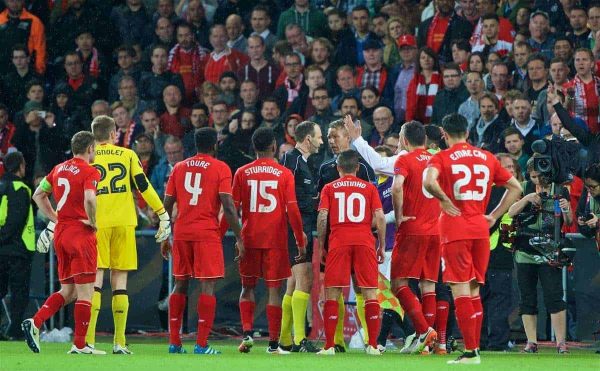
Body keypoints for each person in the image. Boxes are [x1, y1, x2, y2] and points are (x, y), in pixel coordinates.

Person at [423, 113, 522, 364]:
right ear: (467, 133)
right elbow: (517, 188)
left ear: (444, 135)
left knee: (460, 289)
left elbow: (428, 181)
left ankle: (470, 351)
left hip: (455, 227)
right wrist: (494, 216)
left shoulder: (442, 157)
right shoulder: (487, 157)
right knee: (475, 289)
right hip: (480, 227)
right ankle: (474, 350)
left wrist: (444, 200)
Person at [85, 116, 171, 354]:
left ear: (94, 135)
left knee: (95, 283)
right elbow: (143, 186)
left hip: (96, 224)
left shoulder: (88, 157)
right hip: (123, 223)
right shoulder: (127, 155)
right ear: (114, 134)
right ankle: (119, 342)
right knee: (119, 282)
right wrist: (162, 212)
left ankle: (89, 341)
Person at [161, 127, 243, 354]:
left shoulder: (179, 167)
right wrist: (239, 236)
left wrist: (165, 234)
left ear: (195, 145)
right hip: (206, 233)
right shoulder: (220, 168)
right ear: (215, 144)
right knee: (207, 285)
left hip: (182, 232)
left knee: (180, 283)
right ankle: (201, 344)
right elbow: (228, 206)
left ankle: (175, 342)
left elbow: (166, 205)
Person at [23, 131, 103, 354]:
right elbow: (89, 198)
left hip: (62, 233)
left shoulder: (58, 169)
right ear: (89, 149)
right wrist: (93, 221)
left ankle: (36, 322)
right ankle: (79, 344)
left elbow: (38, 195)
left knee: (68, 291)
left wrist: (56, 218)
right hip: (81, 233)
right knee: (86, 293)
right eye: (94, 149)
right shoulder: (90, 171)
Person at [230, 127, 306, 354]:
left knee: (247, 287)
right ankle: (273, 344)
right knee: (274, 291)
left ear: (254, 147)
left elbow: (232, 209)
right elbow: (292, 210)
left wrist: (234, 237)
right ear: (274, 146)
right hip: (275, 239)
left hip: (249, 238)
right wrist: (299, 238)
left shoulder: (242, 172)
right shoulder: (284, 174)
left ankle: (247, 334)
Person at [316, 149, 386, 356]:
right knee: (369, 292)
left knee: (333, 292)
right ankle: (373, 345)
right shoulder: (369, 188)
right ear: (357, 168)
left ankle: (329, 346)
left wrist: (322, 245)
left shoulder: (329, 188)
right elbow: (380, 217)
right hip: (364, 241)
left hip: (339, 242)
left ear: (338, 168)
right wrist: (381, 244)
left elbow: (322, 217)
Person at [507, 154, 572, 354]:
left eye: (540, 176)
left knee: (553, 295)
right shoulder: (524, 187)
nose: (538, 180)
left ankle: (561, 342)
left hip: (550, 249)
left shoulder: (560, 190)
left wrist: (567, 208)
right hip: (525, 247)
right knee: (527, 297)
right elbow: (511, 212)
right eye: (533, 176)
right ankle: (531, 342)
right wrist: (527, 198)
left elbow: (568, 222)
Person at [390, 121, 440, 354]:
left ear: (405, 140)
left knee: (398, 284)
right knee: (427, 284)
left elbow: (397, 187)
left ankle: (423, 330)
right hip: (435, 230)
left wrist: (399, 216)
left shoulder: (404, 159)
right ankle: (428, 345)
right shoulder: (436, 159)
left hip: (413, 228)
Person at [279, 121, 323, 352]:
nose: (321, 141)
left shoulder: (303, 162)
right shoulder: (291, 160)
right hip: (295, 228)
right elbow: (286, 198)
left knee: (294, 282)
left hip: (301, 227)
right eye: (319, 136)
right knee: (305, 279)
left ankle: (285, 339)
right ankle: (299, 339)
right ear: (308, 139)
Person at [0, 152, 34, 341]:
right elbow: (16, 221)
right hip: (17, 249)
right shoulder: (21, 188)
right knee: (19, 291)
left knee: (1, 289)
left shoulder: (1, 185)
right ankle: (15, 330)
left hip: (2, 249)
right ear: (20, 166)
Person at [577, 163, 600, 249]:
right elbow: (588, 234)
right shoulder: (592, 200)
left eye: (593, 187)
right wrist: (583, 224)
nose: (589, 191)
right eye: (587, 187)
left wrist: (598, 223)